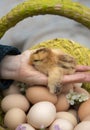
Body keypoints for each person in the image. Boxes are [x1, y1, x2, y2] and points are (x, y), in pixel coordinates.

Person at [0, 44, 90, 90]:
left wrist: (53, 88)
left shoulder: (53, 69)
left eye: (35, 61)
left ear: (45, 61)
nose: (30, 63)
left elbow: (54, 82)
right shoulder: (55, 53)